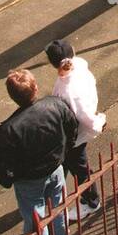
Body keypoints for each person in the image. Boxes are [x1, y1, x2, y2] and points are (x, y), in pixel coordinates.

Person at [0, 68, 77, 235]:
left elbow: (0, 163)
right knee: (58, 206)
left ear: (12, 97)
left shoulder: (8, 130)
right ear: (35, 87)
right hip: (55, 169)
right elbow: (71, 127)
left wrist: (7, 180)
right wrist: (63, 152)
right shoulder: (55, 105)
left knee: (35, 217)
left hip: (29, 180)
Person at [46, 39, 106, 221]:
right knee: (67, 163)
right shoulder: (79, 68)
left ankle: (91, 202)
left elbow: (84, 114)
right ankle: (56, 192)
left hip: (75, 135)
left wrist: (98, 122)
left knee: (80, 167)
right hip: (75, 132)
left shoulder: (68, 90)